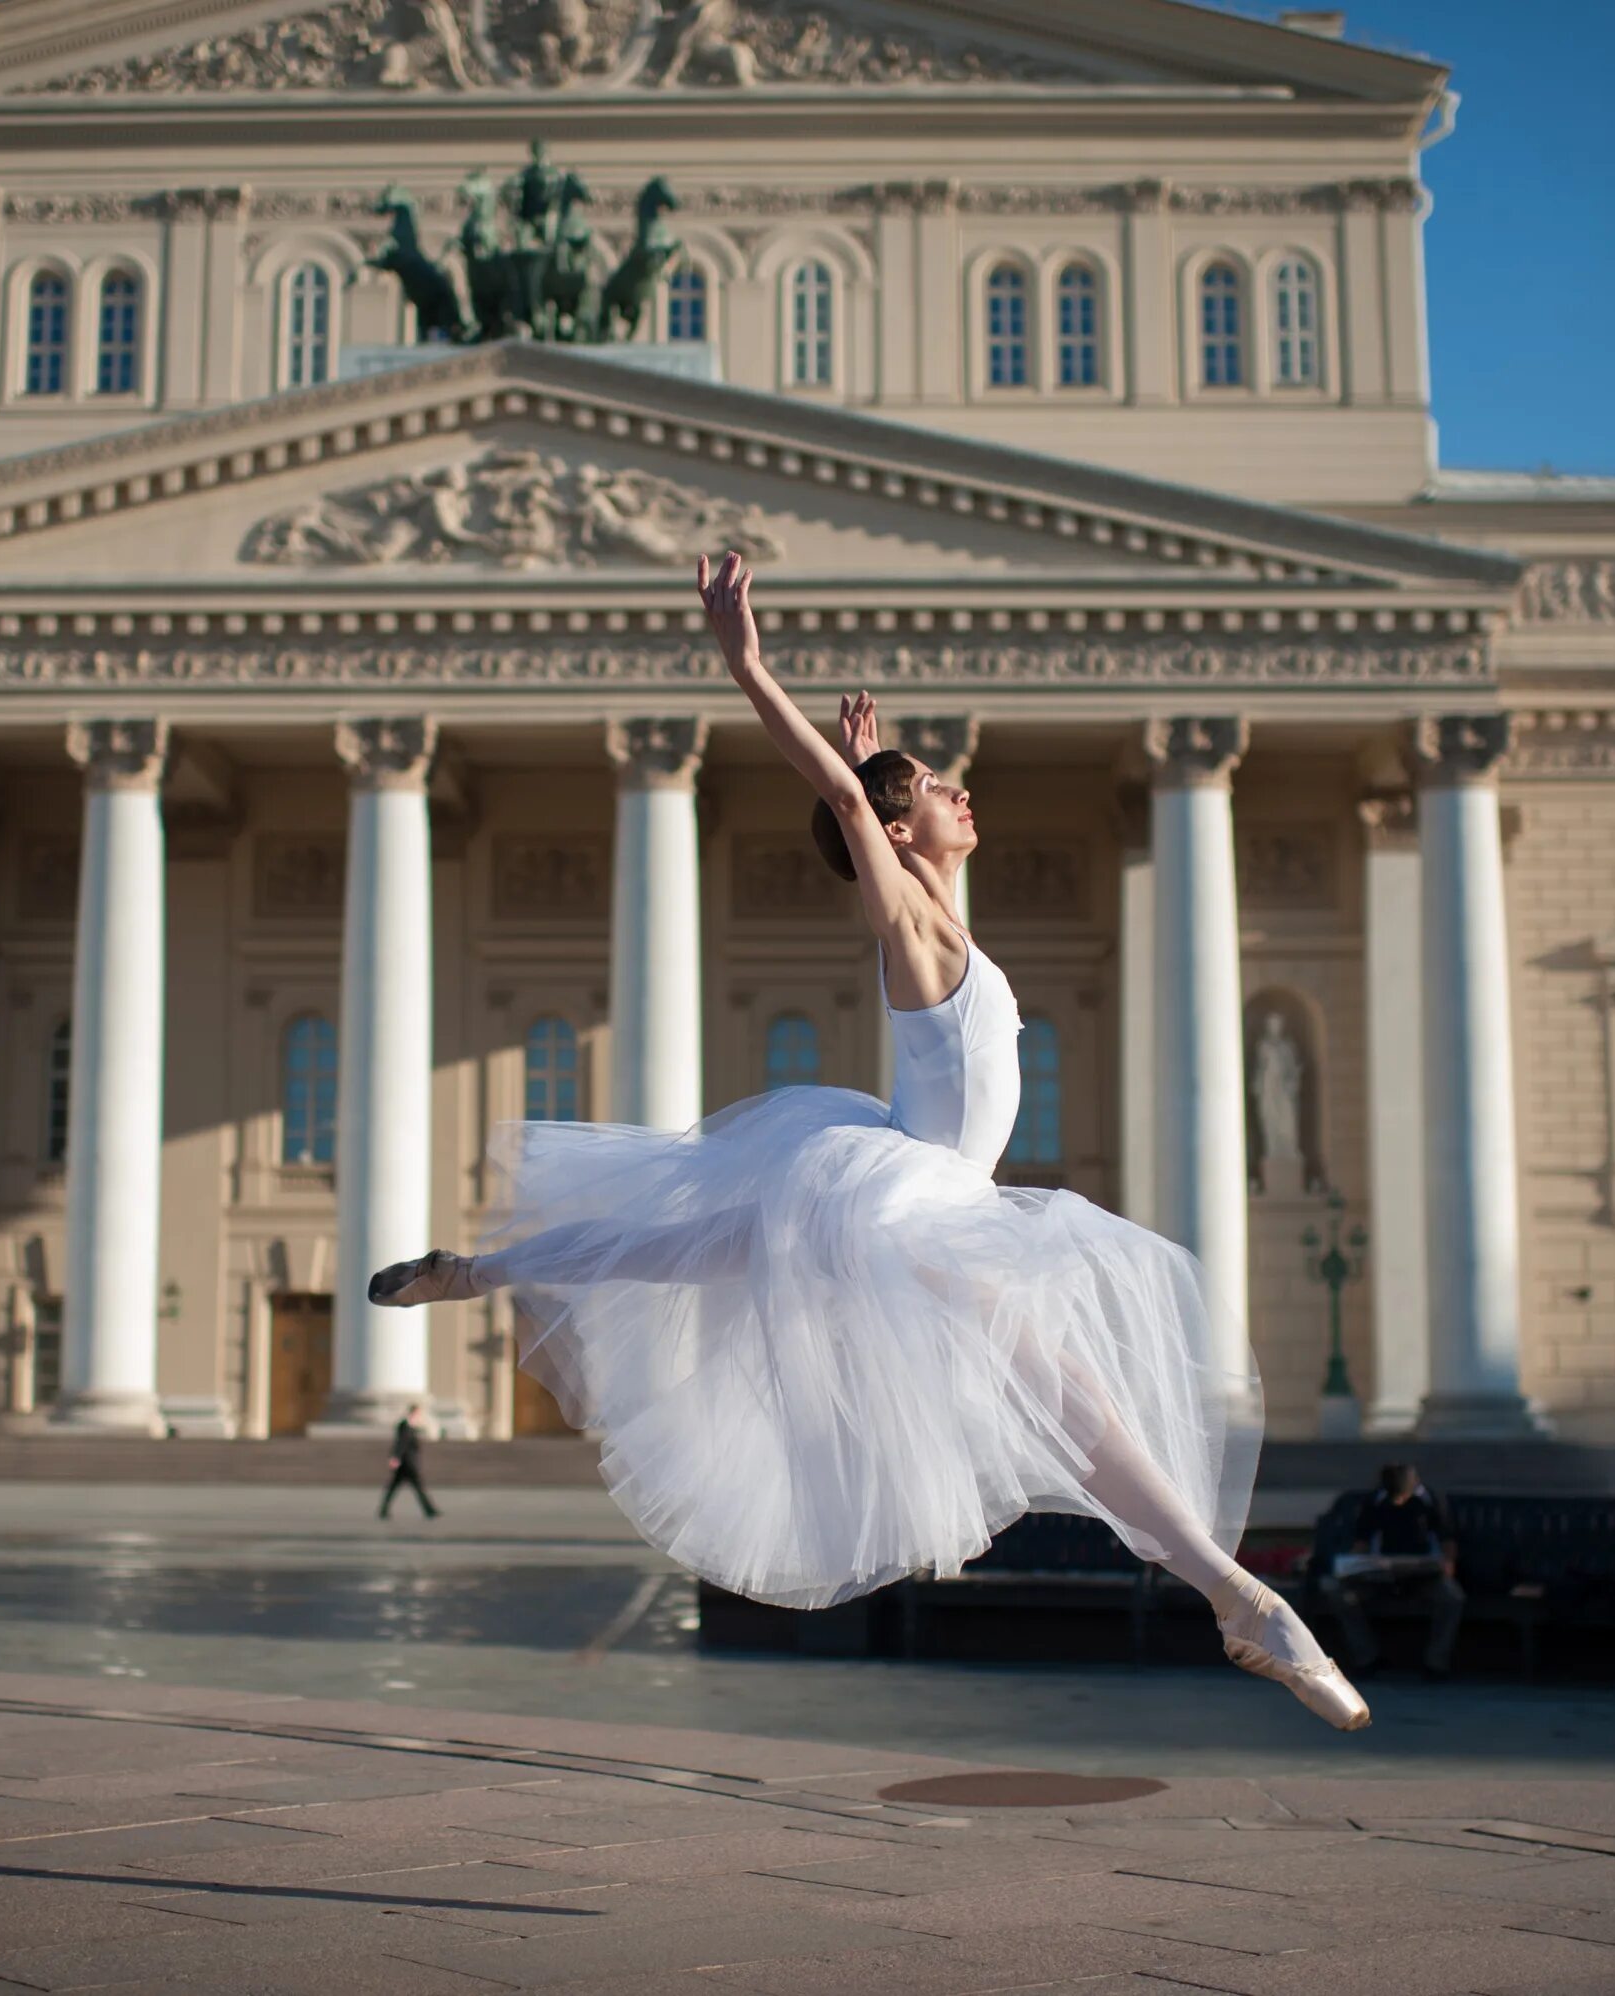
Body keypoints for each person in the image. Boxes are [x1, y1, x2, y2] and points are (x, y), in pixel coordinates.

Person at [365, 551, 1368, 1730]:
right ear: (895, 828)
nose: (963, 795)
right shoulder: (908, 926)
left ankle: (475, 1271)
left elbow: (903, 845)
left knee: (673, 1244)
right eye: (941, 790)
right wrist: (753, 672)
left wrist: (885, 755)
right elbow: (852, 809)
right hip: (910, 1201)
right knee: (1070, 1393)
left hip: (897, 1180)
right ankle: (1244, 1601)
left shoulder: (951, 927)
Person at [1329, 1463, 1464, 1680]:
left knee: (1452, 1597)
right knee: (1341, 1595)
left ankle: (1436, 1663)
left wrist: (1446, 1566)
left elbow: (1447, 1540)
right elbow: (1361, 1542)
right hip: (1380, 1575)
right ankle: (1367, 1657)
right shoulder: (1375, 1502)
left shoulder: (1431, 1501)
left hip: (1424, 1574)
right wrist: (1354, 1567)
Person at [380, 1403, 439, 1520]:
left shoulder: (411, 1426)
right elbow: (400, 1443)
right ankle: (429, 1510)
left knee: (395, 1488)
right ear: (413, 1412)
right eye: (418, 1413)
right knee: (417, 1487)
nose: (419, 1416)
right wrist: (395, 1457)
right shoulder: (404, 1426)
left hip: (406, 1463)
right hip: (407, 1463)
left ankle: (384, 1509)